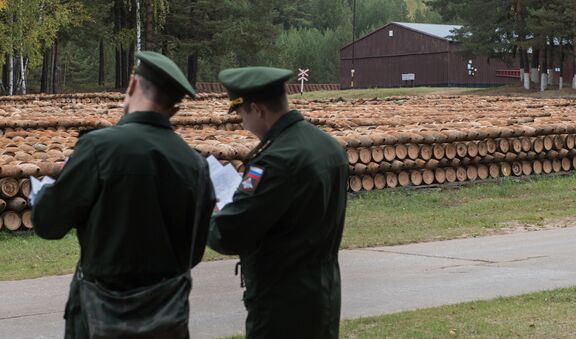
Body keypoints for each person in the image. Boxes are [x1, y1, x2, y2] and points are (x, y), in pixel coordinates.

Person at [32, 51, 215, 338]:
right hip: (167, 318)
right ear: (175, 110)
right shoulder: (196, 165)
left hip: (98, 316)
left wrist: (42, 194)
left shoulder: (98, 148)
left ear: (130, 86)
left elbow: (48, 224)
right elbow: (193, 253)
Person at [208, 67, 349, 339]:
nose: (243, 123)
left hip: (282, 302)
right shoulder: (327, 145)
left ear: (257, 109)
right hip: (324, 289)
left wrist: (210, 211)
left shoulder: (275, 161)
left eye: (241, 114)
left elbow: (229, 234)